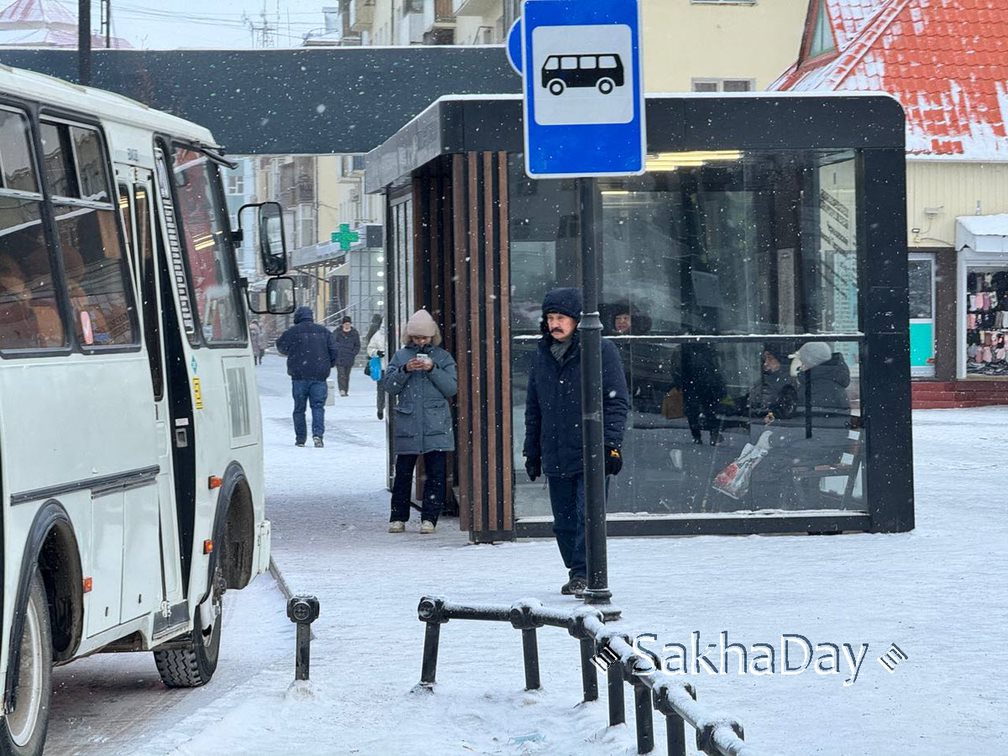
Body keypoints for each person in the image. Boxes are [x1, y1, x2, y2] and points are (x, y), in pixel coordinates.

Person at [523, 288, 629, 597]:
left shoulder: (599, 350)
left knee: (588, 516)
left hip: (590, 450)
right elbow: (534, 406)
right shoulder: (543, 353)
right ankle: (576, 569)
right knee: (564, 522)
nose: (555, 324)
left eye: (561, 318)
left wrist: (611, 445)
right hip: (556, 450)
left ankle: (586, 572)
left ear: (577, 321)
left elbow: (616, 401)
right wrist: (532, 451)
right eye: (550, 318)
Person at [383, 309, 458, 534]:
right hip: (409, 422)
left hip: (436, 422)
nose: (420, 342)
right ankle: (397, 517)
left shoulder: (442, 357)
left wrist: (432, 369)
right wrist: (405, 370)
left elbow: (451, 388)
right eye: (416, 338)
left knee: (436, 473)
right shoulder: (401, 357)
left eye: (424, 338)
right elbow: (389, 386)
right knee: (404, 473)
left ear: (432, 337)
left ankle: (430, 519)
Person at [275, 306, 338, 448]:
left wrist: (293, 352)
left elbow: (281, 347)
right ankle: (318, 435)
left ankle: (300, 438)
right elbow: (334, 350)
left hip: (299, 375)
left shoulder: (293, 332)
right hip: (319, 375)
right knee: (318, 407)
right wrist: (328, 364)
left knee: (299, 408)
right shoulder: (324, 332)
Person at [680, 342, 725, 445]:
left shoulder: (687, 348)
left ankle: (698, 436)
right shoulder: (706, 349)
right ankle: (711, 434)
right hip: (703, 383)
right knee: (707, 409)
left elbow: (681, 367)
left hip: (694, 383)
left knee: (694, 411)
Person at [748, 342, 798, 422]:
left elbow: (784, 410)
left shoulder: (790, 379)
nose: (765, 364)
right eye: (764, 359)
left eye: (770, 359)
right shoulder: (760, 378)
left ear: (780, 360)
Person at [333, 315, 361, 396]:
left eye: (348, 324)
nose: (347, 325)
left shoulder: (354, 333)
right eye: (345, 324)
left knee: (347, 375)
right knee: (341, 374)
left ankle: (345, 389)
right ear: (343, 324)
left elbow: (357, 345)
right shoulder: (337, 333)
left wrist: (353, 353)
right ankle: (342, 390)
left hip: (349, 356)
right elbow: (333, 343)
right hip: (340, 356)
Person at [366, 318, 387, 420]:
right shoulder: (377, 335)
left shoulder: (398, 333)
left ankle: (393, 408)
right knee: (381, 390)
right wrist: (377, 352)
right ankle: (380, 408)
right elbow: (370, 349)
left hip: (395, 367)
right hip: (382, 367)